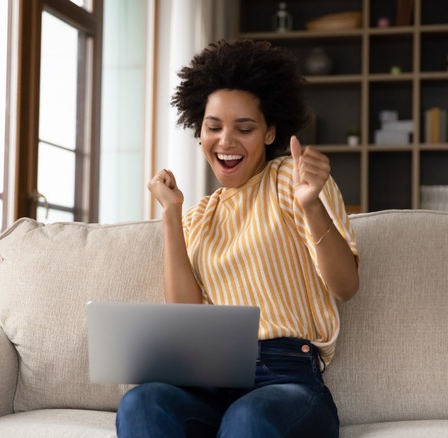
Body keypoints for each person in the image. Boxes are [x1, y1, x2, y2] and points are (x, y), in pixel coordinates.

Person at [115, 39, 360, 437]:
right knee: (142, 402)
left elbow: (346, 287)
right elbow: (186, 318)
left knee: (247, 418)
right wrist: (172, 215)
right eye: (214, 127)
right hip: (208, 378)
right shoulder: (198, 216)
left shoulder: (292, 181)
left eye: (244, 128)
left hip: (285, 379)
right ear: (200, 132)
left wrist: (312, 205)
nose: (225, 141)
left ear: (270, 132)